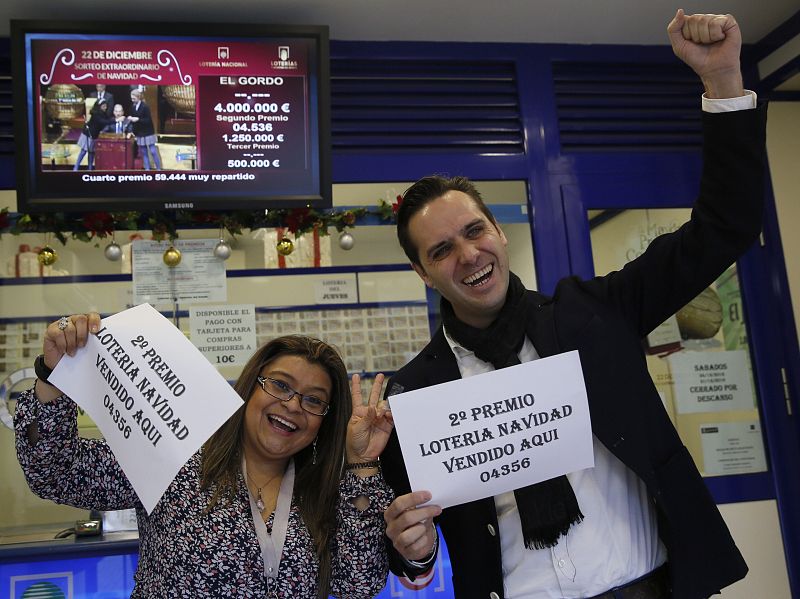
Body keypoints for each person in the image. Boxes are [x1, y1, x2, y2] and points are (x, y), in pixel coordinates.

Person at [381, 10, 765, 599]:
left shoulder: (596, 312)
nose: (468, 254)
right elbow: (418, 548)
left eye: (476, 230)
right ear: (422, 272)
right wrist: (412, 554)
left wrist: (722, 84)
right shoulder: (413, 397)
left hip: (650, 585)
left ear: (500, 233)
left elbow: (726, 225)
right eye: (441, 250)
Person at [16, 313, 395, 598]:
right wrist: (52, 374)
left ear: (323, 421)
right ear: (251, 389)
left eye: (314, 400)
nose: (293, 405)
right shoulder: (175, 457)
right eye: (280, 385)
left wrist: (362, 463)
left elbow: (357, 585)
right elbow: (56, 472)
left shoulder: (328, 491)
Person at [72, 98, 113, 171]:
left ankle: (90, 168)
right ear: (99, 106)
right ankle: (76, 167)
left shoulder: (104, 113)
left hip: (95, 136)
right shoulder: (96, 114)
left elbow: (107, 121)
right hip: (88, 134)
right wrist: (115, 120)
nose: (105, 108)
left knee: (91, 152)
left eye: (106, 106)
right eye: (103, 106)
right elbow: (103, 122)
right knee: (83, 151)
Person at [128, 88, 162, 170]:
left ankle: (159, 169)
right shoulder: (133, 107)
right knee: (144, 152)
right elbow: (133, 121)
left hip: (148, 132)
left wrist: (138, 119)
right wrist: (132, 127)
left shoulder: (145, 106)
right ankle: (147, 170)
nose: (132, 100)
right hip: (140, 132)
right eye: (131, 98)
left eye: (134, 98)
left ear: (138, 97)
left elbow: (148, 120)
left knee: (153, 151)